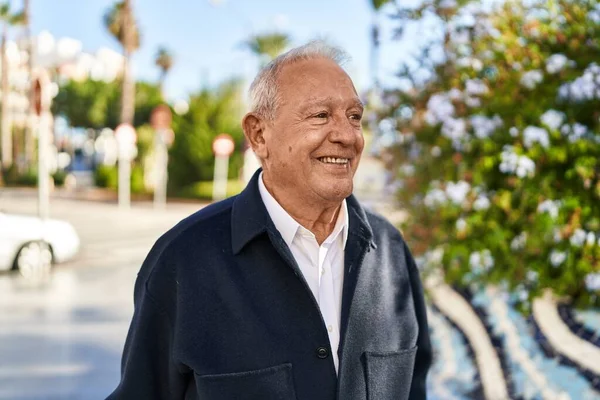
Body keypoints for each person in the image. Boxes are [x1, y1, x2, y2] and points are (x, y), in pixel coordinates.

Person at [107, 41, 431, 400]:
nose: (347, 135)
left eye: (354, 116)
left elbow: (415, 386)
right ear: (259, 135)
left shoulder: (390, 251)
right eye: (320, 115)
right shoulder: (184, 260)